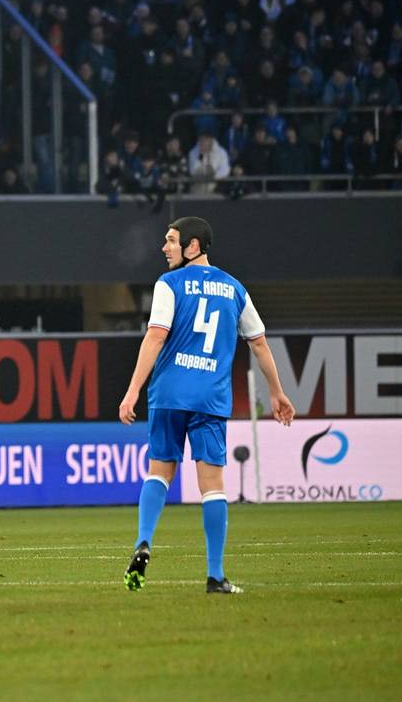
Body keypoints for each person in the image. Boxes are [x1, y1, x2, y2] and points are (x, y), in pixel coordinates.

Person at [118, 216, 295, 594]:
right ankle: (215, 576)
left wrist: (133, 389)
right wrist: (277, 393)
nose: (164, 247)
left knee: (159, 472)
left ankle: (144, 540)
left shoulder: (169, 284)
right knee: (212, 486)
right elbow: (259, 343)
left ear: (193, 246)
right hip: (210, 400)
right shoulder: (234, 289)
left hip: (168, 395)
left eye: (171, 240)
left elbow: (155, 337)